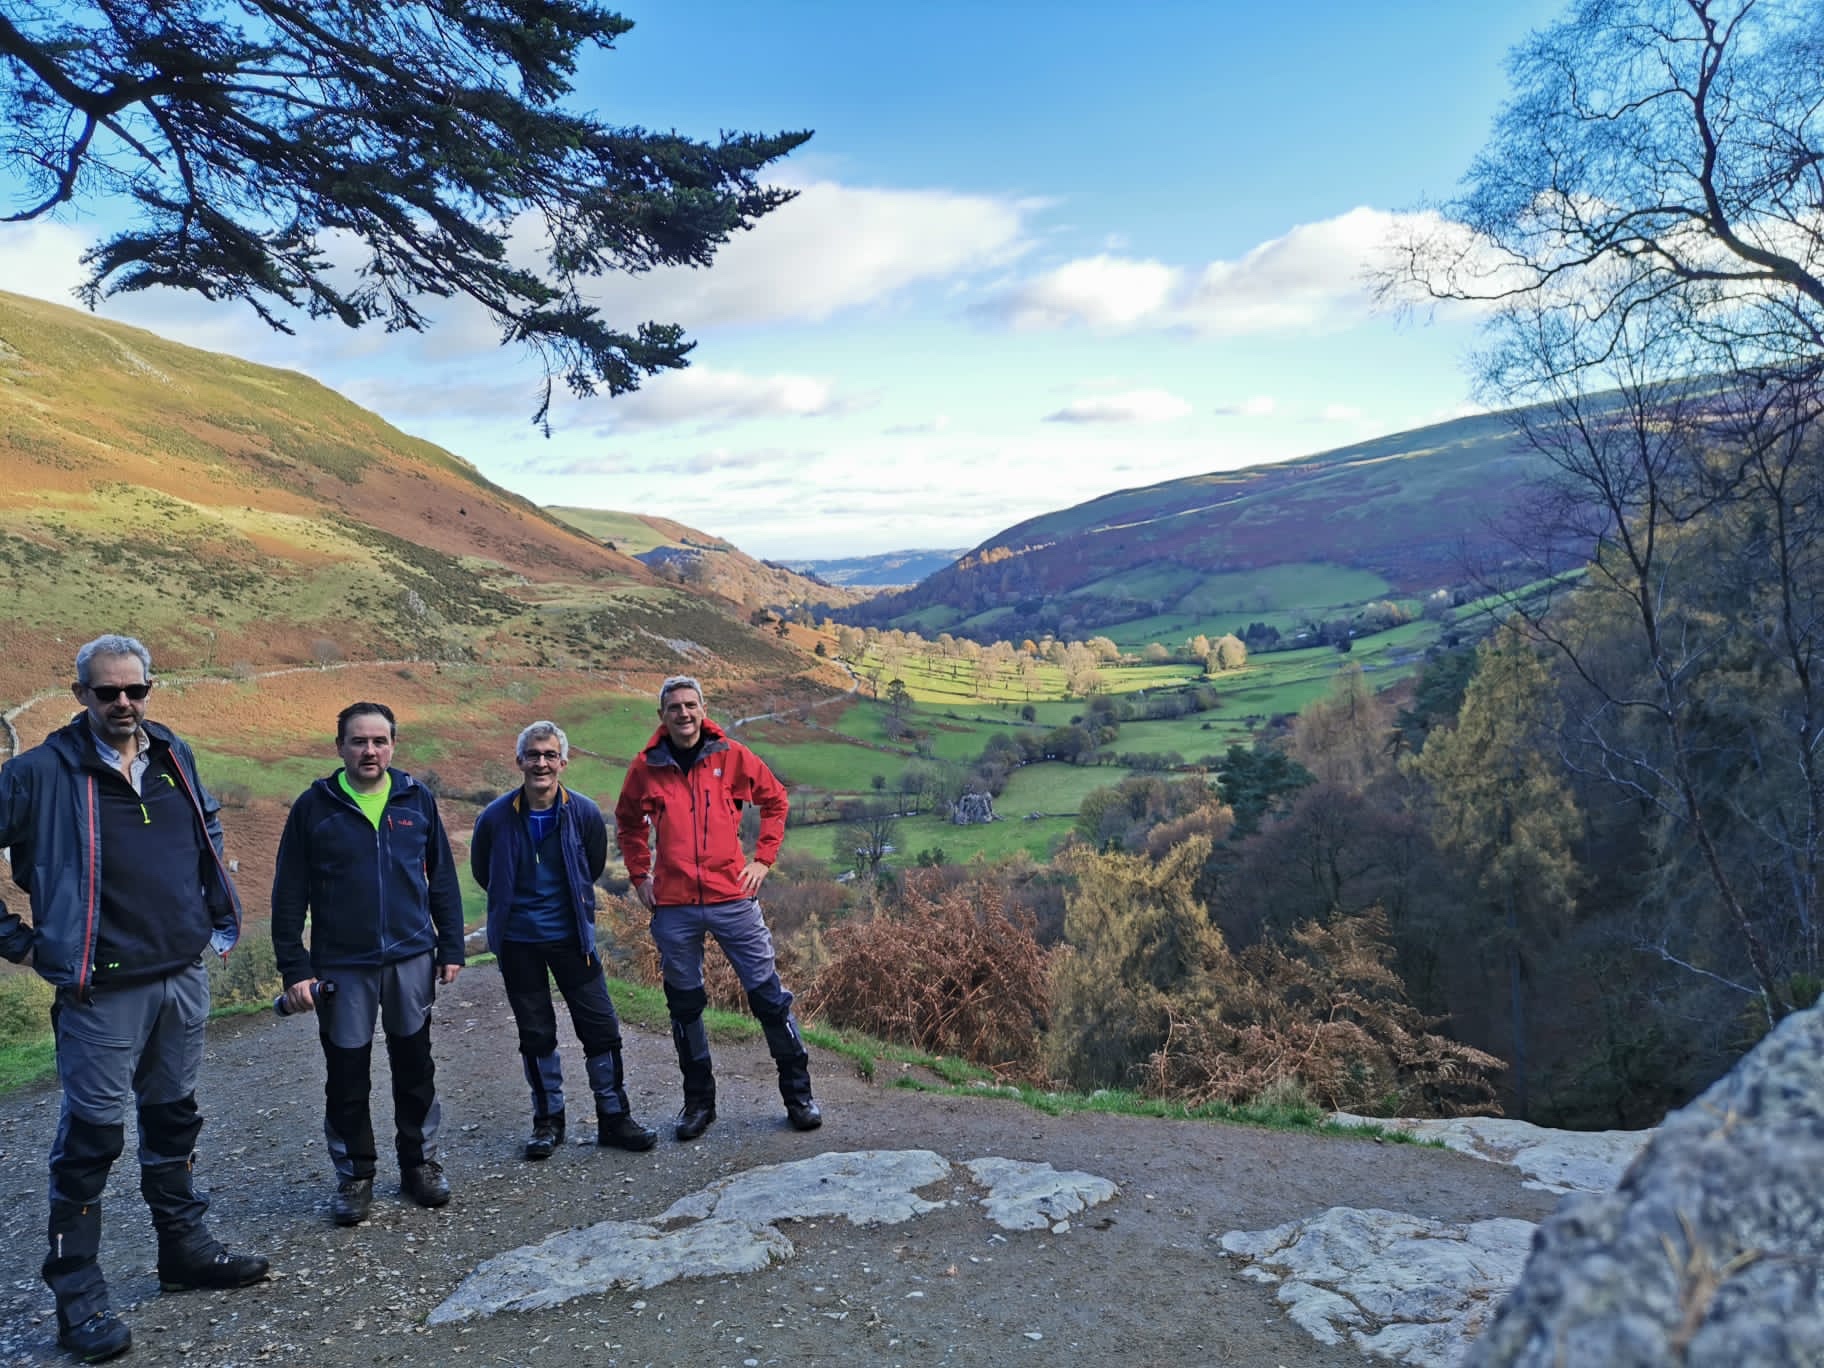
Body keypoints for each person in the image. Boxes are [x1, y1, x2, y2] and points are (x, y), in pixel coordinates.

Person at [0, 634, 268, 1364]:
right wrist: (20, 943)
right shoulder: (38, 773)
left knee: (173, 1117)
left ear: (150, 689)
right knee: (91, 1140)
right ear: (80, 695)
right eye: (107, 691)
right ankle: (77, 1296)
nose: (123, 703)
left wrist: (212, 911)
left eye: (135, 690)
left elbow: (206, 826)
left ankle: (184, 1251)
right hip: (100, 990)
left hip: (181, 974)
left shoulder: (173, 753)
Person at [271, 701, 465, 1226]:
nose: (370, 750)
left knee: (415, 1066)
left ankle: (419, 1164)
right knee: (347, 1074)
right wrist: (296, 969)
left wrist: (451, 946)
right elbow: (288, 894)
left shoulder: (416, 799)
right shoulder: (314, 807)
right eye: (358, 741)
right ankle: (355, 1175)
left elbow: (441, 877)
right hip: (342, 965)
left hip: (411, 956)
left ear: (393, 745)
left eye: (379, 741)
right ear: (340, 747)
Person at [613, 675, 821, 1140]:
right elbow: (627, 823)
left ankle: (799, 1097)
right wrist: (640, 875)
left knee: (769, 997)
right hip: (674, 905)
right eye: (674, 707)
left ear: (703, 710)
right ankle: (698, 1105)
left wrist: (763, 860)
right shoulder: (645, 767)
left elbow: (776, 799)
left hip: (733, 898)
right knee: (684, 1005)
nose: (683, 714)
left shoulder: (731, 755)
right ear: (662, 716)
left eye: (691, 705)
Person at [471, 721, 657, 1158]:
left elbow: (590, 867)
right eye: (534, 755)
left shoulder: (585, 813)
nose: (541, 763)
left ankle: (614, 1118)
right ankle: (548, 1122)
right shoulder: (494, 818)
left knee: (601, 1028)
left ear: (563, 762)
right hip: (517, 942)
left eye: (550, 755)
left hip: (573, 938)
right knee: (535, 1033)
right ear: (519, 761)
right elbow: (484, 872)